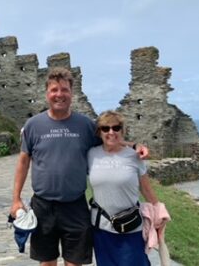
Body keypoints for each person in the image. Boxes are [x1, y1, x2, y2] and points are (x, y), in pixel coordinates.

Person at [10, 67, 149, 266]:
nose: (59, 94)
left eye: (64, 90)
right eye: (54, 90)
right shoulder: (33, 125)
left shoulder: (85, 125)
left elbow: (109, 139)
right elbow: (23, 162)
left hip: (75, 206)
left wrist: (134, 146)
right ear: (47, 93)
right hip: (43, 205)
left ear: (72, 93)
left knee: (74, 262)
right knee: (47, 262)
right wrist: (15, 199)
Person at [87, 110, 162, 266]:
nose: (111, 132)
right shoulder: (91, 154)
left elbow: (146, 189)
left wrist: (159, 214)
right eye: (105, 128)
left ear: (122, 130)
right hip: (101, 229)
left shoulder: (134, 156)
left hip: (130, 227)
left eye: (116, 128)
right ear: (99, 132)